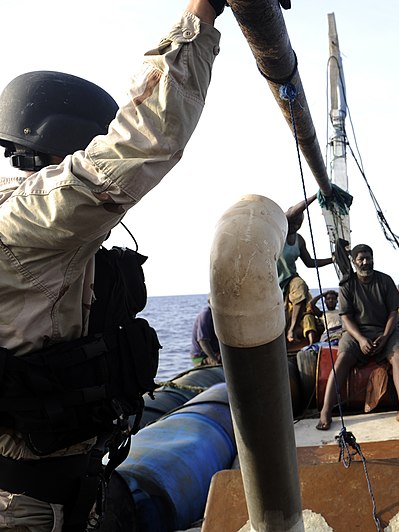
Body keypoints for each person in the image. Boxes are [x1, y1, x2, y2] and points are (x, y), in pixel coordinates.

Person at [0, 1, 226, 529]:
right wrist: (201, 17)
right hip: (28, 505)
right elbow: (146, 138)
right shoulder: (31, 220)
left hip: (62, 490)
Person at [317, 244, 399, 430]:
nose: (366, 262)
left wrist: (386, 335)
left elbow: (393, 313)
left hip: (385, 329)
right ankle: (325, 410)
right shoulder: (347, 285)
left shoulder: (385, 280)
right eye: (361, 259)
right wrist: (360, 339)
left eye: (368, 258)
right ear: (354, 262)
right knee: (342, 358)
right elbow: (346, 318)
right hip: (357, 332)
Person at [278, 194, 333, 348]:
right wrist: (317, 195)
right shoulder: (278, 234)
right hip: (274, 282)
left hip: (290, 279)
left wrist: (332, 259)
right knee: (280, 312)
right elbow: (292, 212)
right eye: (293, 222)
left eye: (299, 223)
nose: (295, 226)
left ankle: (292, 330)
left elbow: (309, 263)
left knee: (301, 288)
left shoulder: (299, 240)